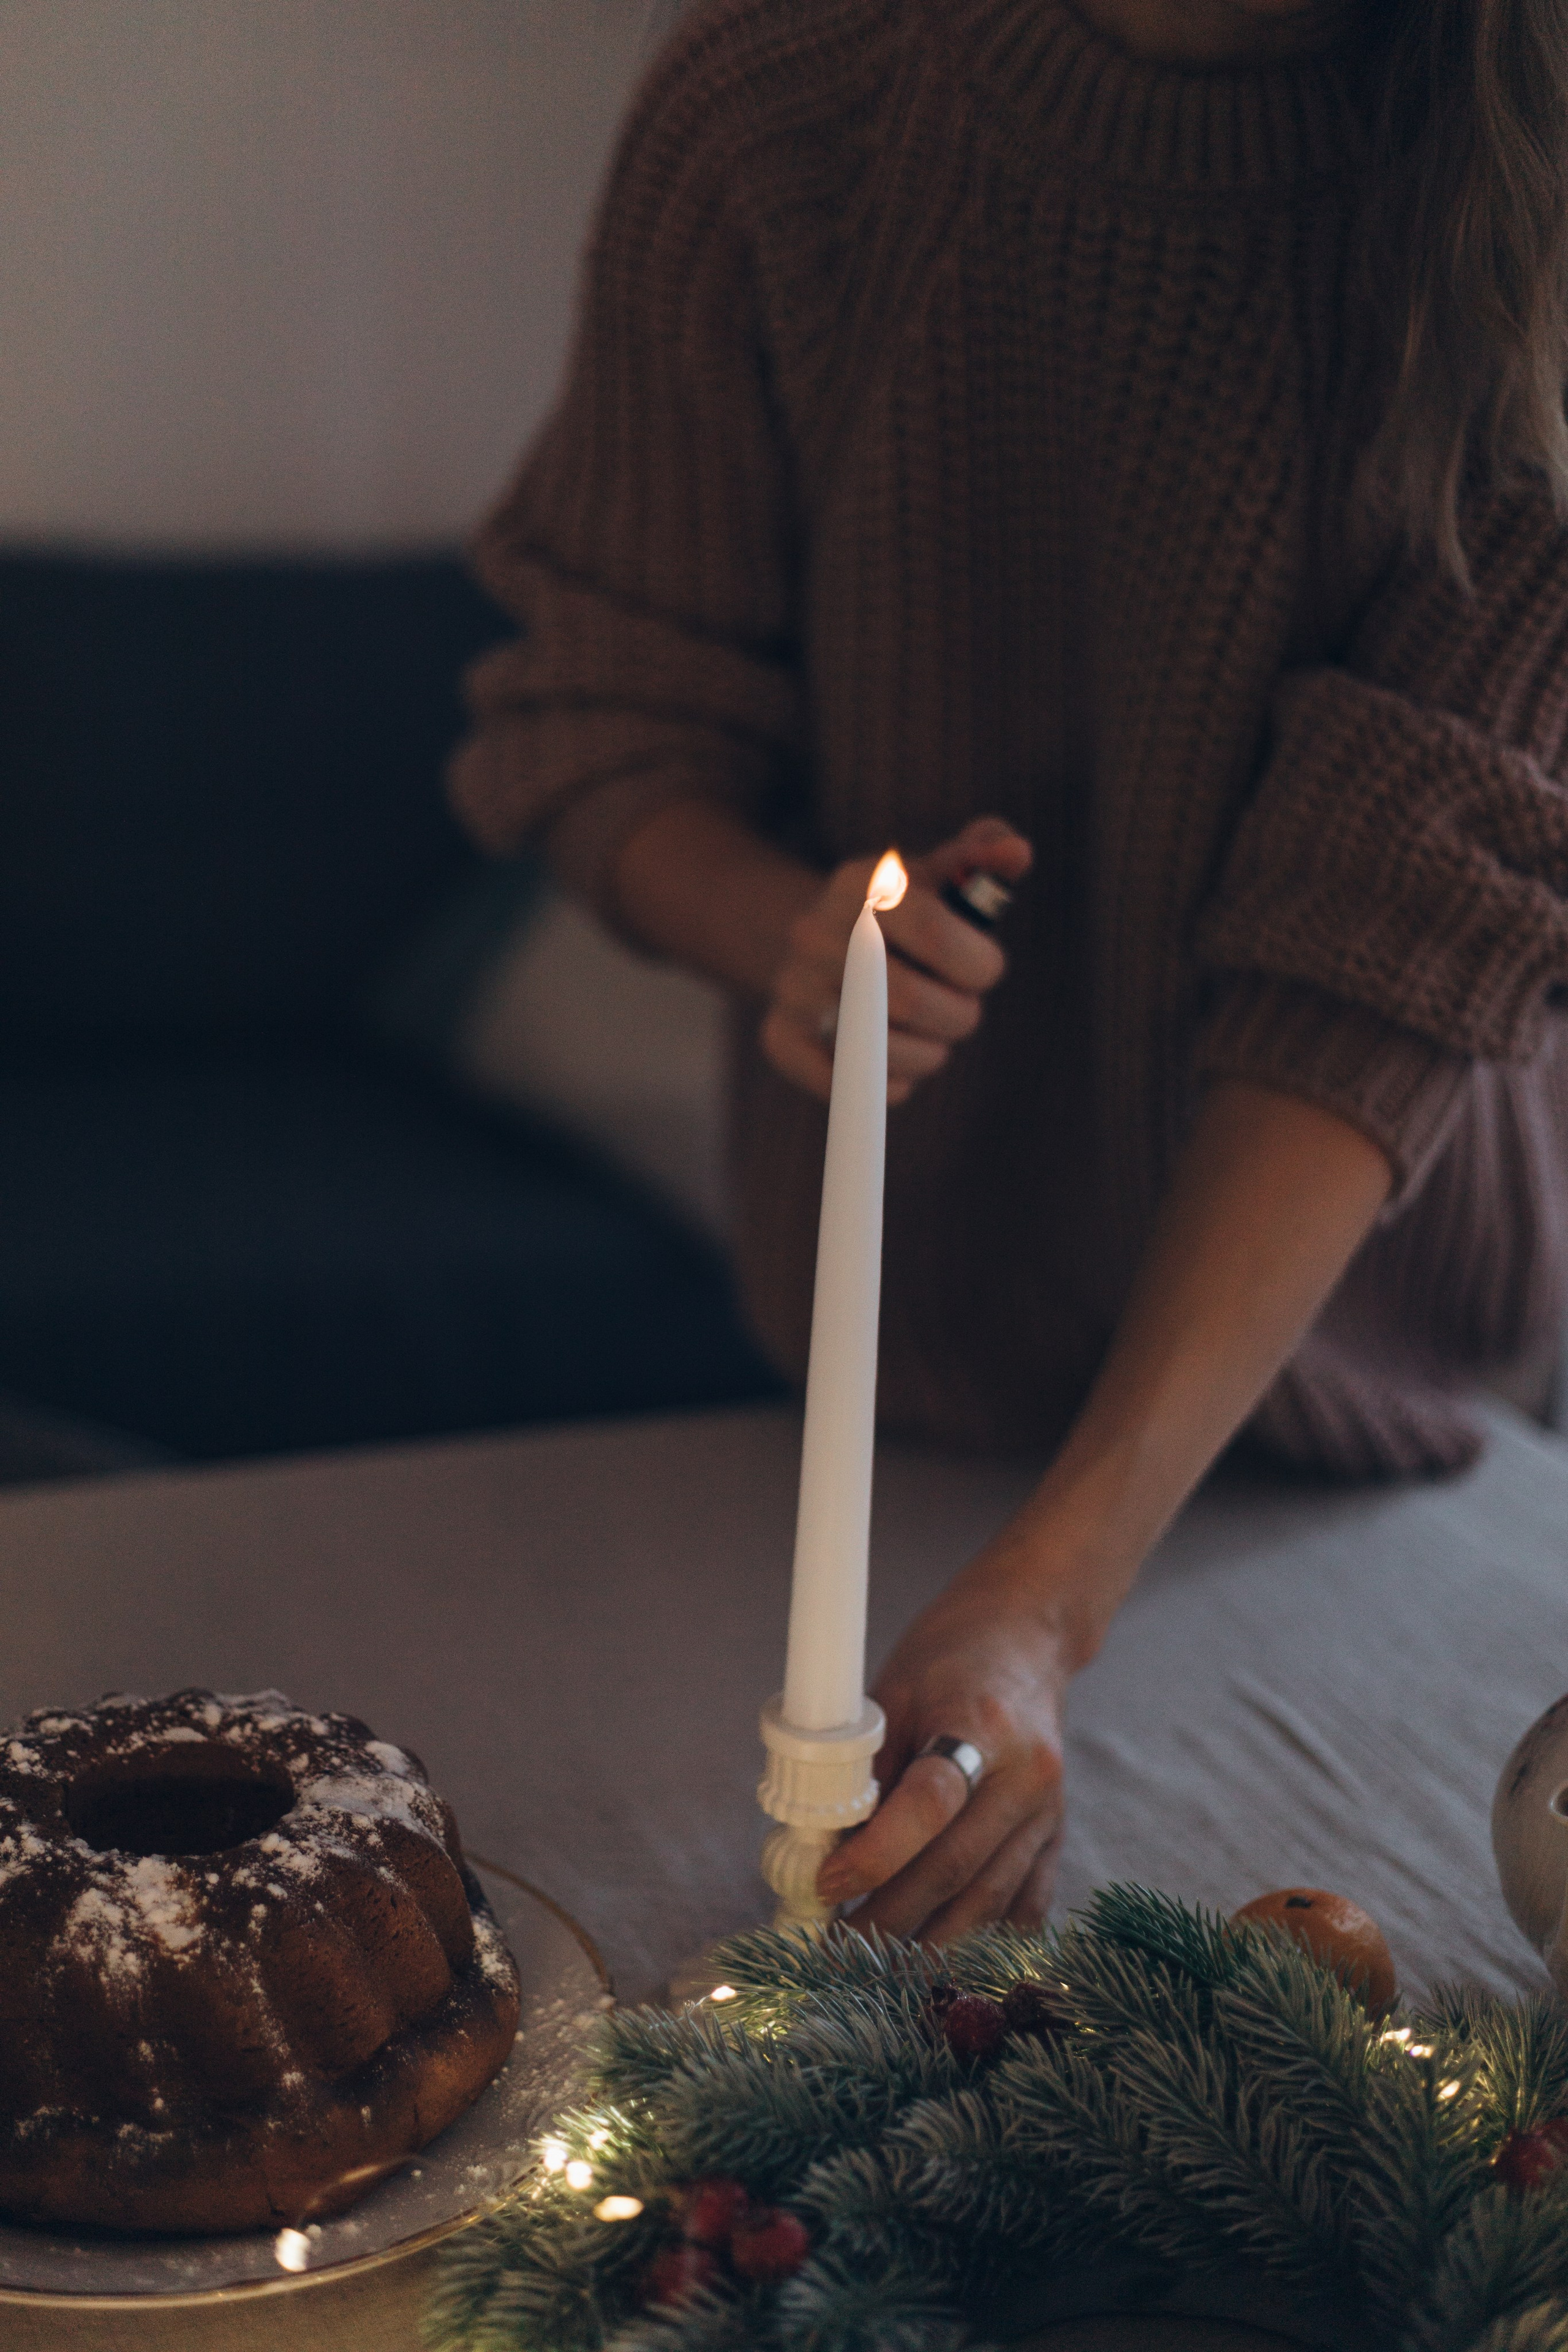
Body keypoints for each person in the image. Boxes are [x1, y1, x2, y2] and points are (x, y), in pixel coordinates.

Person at [449, 0, 1568, 1942]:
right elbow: (608, 711)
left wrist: (1046, 1605)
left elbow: (1385, 949)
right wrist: (785, 932)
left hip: (1367, 1421)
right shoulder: (778, 112)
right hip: (890, 1393)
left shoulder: (1527, 192)